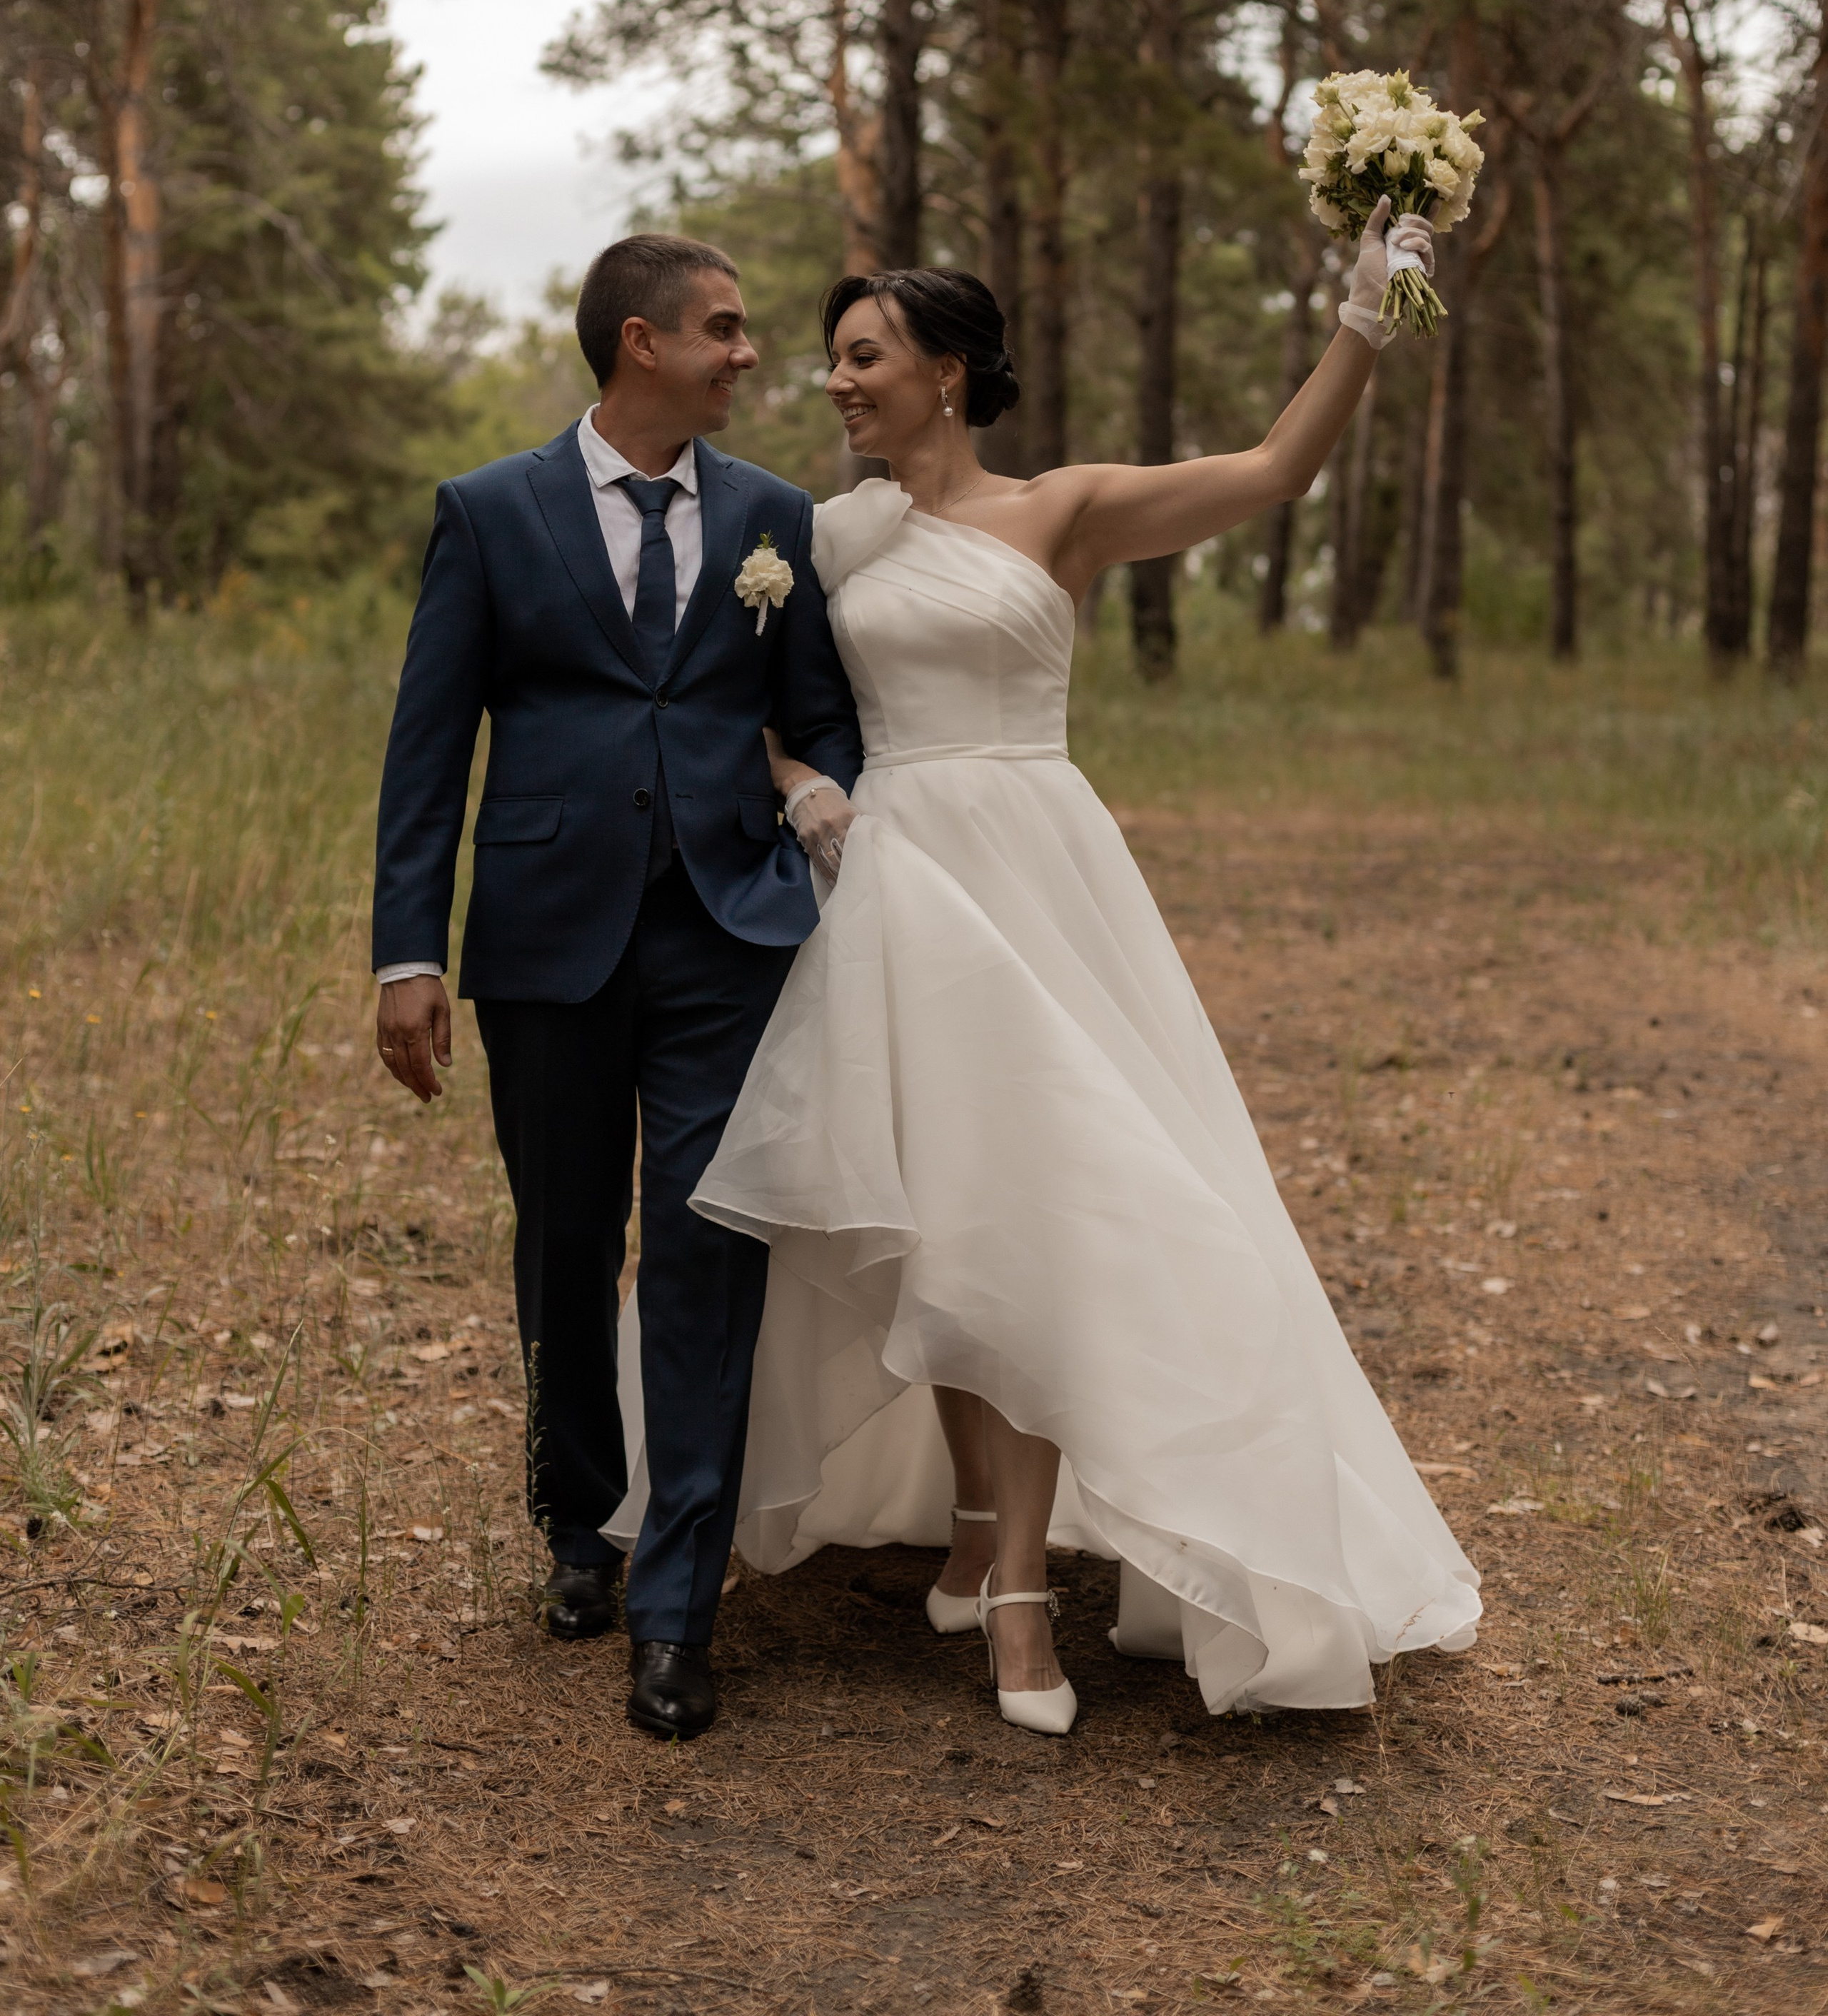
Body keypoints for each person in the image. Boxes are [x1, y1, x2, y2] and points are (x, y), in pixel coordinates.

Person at [681, 195, 1480, 1735]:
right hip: (899, 883)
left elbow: (1270, 471)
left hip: (1040, 872)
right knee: (956, 1211)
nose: (837, 382)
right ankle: (991, 1540)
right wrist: (802, 790)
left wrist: (1362, 317)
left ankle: (1025, 1573)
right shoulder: (826, 537)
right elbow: (761, 708)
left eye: (867, 358)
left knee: (1052, 1200)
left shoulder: (1063, 511)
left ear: (952, 372)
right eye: (835, 361)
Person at [369, 233, 862, 1741]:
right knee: (567, 1239)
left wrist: (804, 797)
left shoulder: (777, 519)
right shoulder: (490, 511)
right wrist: (408, 949)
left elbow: (822, 723)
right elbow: (428, 747)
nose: (748, 354)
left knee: (711, 1245)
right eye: (723, 329)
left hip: (727, 933)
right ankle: (575, 1518)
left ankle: (675, 1602)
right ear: (637, 343)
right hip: (545, 934)